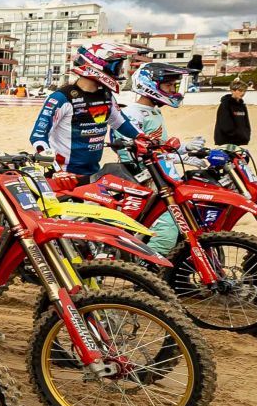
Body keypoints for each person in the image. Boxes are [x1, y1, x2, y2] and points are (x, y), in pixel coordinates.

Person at [29, 42, 141, 179]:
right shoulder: (61, 98)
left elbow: (120, 122)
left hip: (94, 173)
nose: (120, 72)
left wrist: (142, 138)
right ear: (95, 65)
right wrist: (56, 170)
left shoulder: (106, 96)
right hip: (64, 176)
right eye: (116, 67)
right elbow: (38, 136)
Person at [114, 61, 191, 259]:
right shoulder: (132, 113)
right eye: (168, 85)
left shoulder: (154, 111)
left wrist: (187, 149)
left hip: (160, 175)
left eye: (174, 85)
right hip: (145, 179)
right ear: (149, 84)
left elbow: (161, 144)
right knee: (167, 226)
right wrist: (176, 155)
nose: (172, 90)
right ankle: (150, 265)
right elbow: (130, 151)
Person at [214, 81, 251, 148]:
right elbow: (224, 124)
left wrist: (246, 135)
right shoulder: (225, 104)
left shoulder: (242, 106)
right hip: (226, 141)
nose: (243, 93)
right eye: (240, 91)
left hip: (240, 140)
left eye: (244, 91)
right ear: (233, 91)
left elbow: (246, 123)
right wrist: (236, 135)